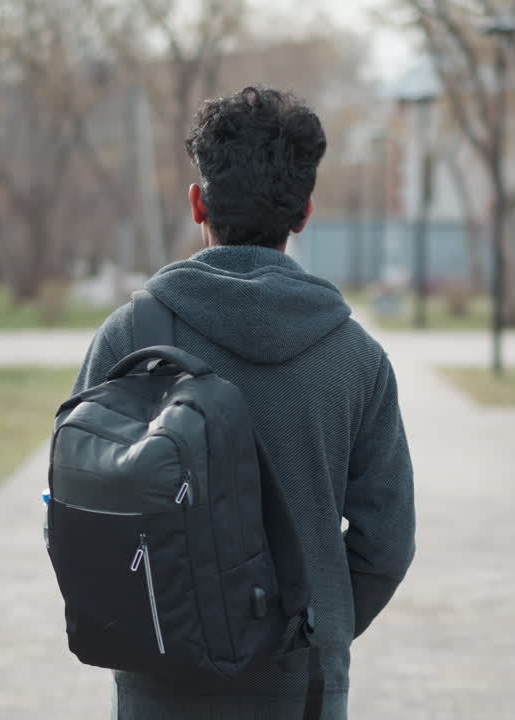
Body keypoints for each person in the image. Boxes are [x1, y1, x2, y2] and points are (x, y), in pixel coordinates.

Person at [70, 86, 416, 719]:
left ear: (199, 202)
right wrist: (317, 626)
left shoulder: (128, 338)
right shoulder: (359, 359)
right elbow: (386, 545)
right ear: (304, 213)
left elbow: (76, 508)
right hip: (302, 683)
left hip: (158, 678)